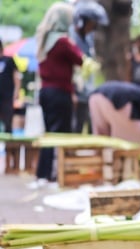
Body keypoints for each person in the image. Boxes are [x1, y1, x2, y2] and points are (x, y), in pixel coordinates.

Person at [34, 1, 84, 186]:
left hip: (45, 92)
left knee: (49, 134)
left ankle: (43, 174)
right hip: (59, 92)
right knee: (61, 135)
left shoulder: (44, 40)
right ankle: (57, 175)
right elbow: (80, 59)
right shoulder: (62, 41)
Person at [69, 0, 109, 134]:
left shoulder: (88, 39)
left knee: (89, 124)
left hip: (87, 91)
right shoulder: (72, 37)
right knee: (74, 126)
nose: (94, 27)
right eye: (92, 23)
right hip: (74, 91)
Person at [0, 40, 21, 134]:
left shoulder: (8, 60)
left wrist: (16, 92)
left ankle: (9, 148)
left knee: (8, 124)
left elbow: (16, 77)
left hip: (7, 97)